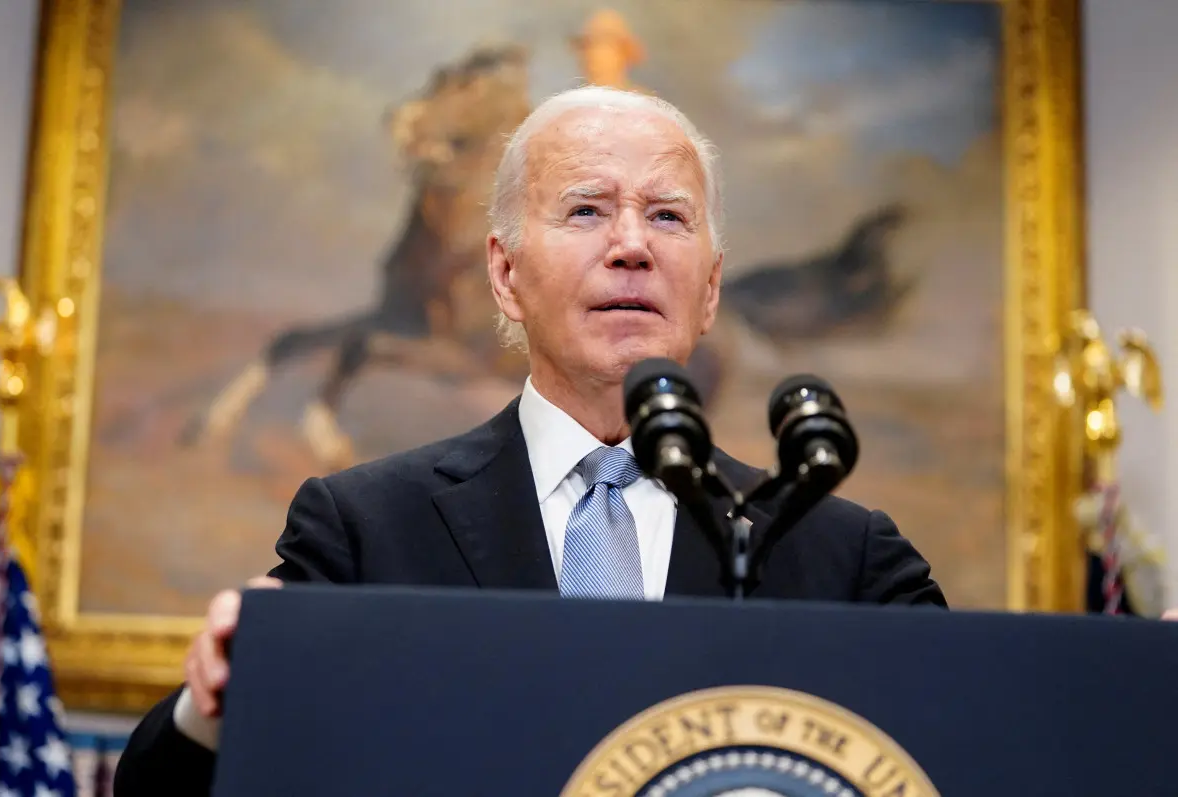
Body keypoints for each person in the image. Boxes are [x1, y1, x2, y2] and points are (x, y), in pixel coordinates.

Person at [112, 85, 946, 795]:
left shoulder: (844, 557)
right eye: (586, 210)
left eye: (666, 216)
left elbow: (972, 749)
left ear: (711, 288)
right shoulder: (367, 528)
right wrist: (220, 696)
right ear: (506, 275)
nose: (631, 245)